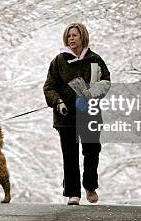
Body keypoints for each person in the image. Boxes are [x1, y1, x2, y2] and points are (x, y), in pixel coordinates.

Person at [43, 23, 111, 205]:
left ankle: (90, 186)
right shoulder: (59, 61)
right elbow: (49, 87)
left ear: (83, 38)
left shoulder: (95, 59)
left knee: (92, 151)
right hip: (65, 116)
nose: (71, 38)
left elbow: (106, 81)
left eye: (75, 35)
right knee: (70, 155)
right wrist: (57, 101)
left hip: (90, 113)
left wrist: (92, 92)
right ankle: (73, 193)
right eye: (69, 36)